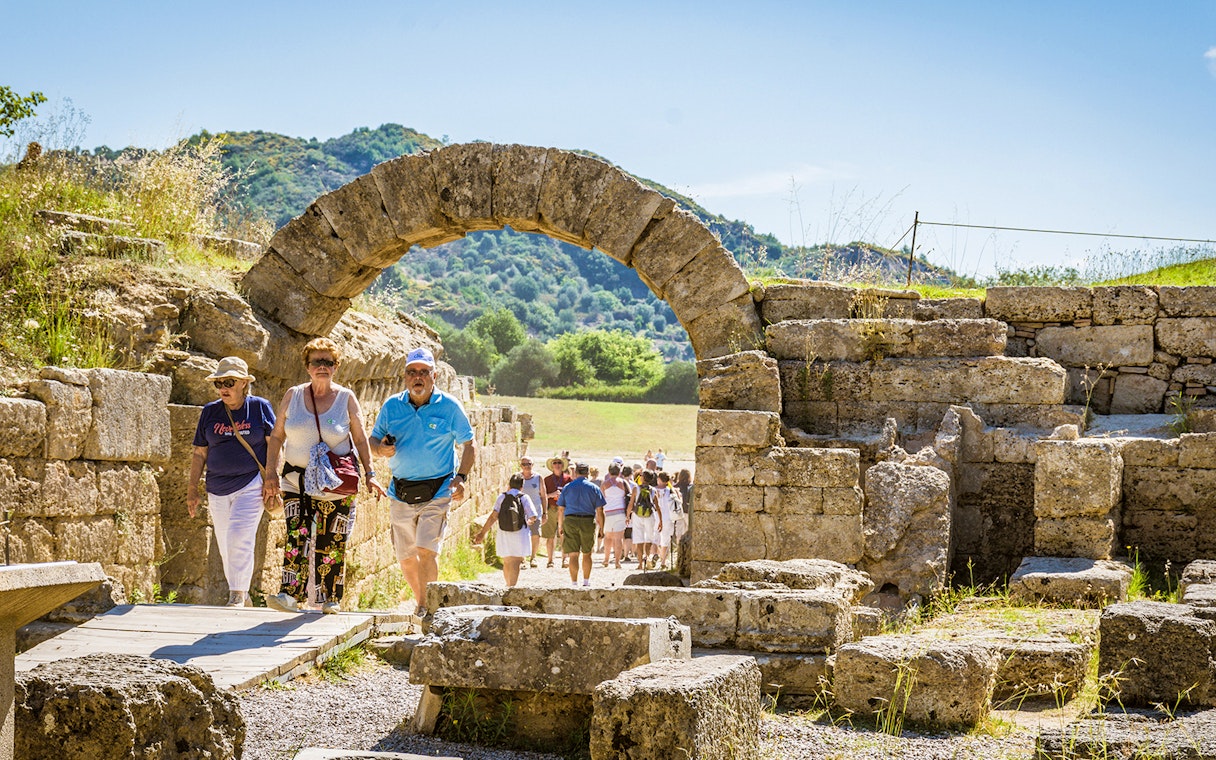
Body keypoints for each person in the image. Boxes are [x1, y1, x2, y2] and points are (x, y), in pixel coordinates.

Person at [265, 339, 384, 614]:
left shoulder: (345, 398)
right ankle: (290, 595)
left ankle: (329, 598)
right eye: (317, 362)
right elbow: (277, 435)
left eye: (328, 362)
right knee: (297, 535)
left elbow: (360, 437)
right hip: (296, 480)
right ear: (307, 367)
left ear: (336, 367)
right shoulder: (293, 396)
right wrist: (271, 472)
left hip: (334, 483)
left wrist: (370, 473)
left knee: (332, 539)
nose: (322, 367)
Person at [371, 347, 475, 620]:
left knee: (426, 551)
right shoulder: (392, 406)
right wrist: (381, 450)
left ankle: (429, 611)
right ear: (405, 377)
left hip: (438, 491)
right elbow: (372, 441)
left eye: (424, 372)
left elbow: (469, 444)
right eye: (412, 372)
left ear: (434, 375)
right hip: (400, 490)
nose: (418, 377)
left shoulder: (449, 406)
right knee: (406, 557)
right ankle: (421, 601)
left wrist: (461, 478)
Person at [187, 357, 276, 608]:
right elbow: (199, 453)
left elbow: (274, 444)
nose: (223, 387)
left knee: (240, 536)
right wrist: (192, 488)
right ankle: (243, 596)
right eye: (219, 383)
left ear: (244, 383)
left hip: (250, 483)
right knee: (226, 542)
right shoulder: (210, 412)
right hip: (216, 488)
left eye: (229, 382)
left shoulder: (260, 407)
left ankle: (236, 595)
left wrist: (272, 476)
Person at [473, 473, 540, 587]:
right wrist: (529, 521)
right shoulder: (524, 497)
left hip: (504, 532)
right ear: (521, 486)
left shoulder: (502, 497)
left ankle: (507, 585)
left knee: (507, 561)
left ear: (509, 484)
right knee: (516, 562)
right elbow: (533, 516)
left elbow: (493, 516)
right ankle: (511, 588)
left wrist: (482, 533)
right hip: (519, 532)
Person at [557, 462, 605, 586]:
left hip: (571, 520)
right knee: (587, 553)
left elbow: (561, 508)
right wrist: (601, 528)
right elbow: (600, 510)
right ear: (587, 473)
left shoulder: (568, 487)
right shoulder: (594, 488)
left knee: (573, 554)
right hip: (587, 521)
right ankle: (586, 582)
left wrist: (560, 525)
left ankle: (574, 582)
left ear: (576, 473)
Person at [517, 456, 548, 568]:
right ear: (521, 466)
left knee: (535, 534)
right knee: (521, 535)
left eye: (529, 464)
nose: (527, 466)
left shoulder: (538, 477)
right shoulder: (518, 477)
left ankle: (533, 557)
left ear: (532, 465)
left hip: (535, 512)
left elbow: (544, 496)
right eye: (524, 464)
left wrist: (545, 513)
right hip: (521, 512)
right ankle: (522, 559)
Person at [599, 463, 632, 569]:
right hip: (620, 512)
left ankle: (606, 559)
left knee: (608, 537)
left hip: (608, 512)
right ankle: (617, 562)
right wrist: (628, 515)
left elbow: (601, 499)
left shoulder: (604, 484)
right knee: (618, 538)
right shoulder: (623, 483)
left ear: (609, 472)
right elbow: (630, 497)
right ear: (619, 472)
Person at [541, 456, 570, 568]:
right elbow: (542, 496)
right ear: (552, 466)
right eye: (555, 463)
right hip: (552, 509)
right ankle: (550, 560)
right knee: (550, 536)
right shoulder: (547, 480)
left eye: (559, 463)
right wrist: (551, 495)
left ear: (562, 465)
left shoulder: (568, 479)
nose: (557, 464)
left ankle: (565, 559)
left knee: (564, 535)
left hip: (564, 509)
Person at [631, 470, 663, 569]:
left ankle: (640, 564)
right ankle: (647, 558)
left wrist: (628, 516)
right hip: (650, 516)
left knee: (639, 540)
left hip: (637, 516)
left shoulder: (636, 489)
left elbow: (631, 503)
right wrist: (661, 521)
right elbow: (657, 507)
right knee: (649, 539)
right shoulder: (653, 490)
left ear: (643, 478)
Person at [655, 471, 682, 570]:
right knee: (665, 540)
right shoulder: (671, 490)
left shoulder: (654, 490)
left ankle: (653, 556)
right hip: (669, 517)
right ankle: (663, 561)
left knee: (655, 538)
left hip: (656, 517)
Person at [676, 468, 694, 532]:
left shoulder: (675, 487)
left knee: (679, 532)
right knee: (688, 530)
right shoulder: (690, 488)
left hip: (677, 512)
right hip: (687, 511)